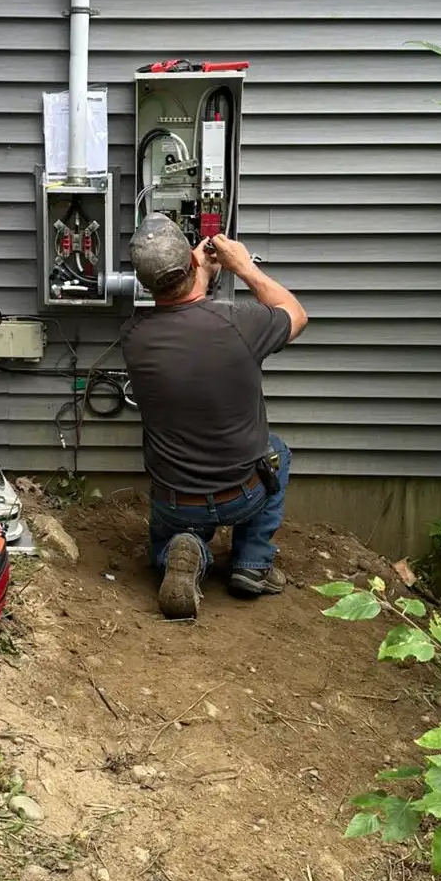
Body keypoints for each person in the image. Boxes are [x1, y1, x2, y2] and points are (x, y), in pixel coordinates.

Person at [120, 214, 308, 619]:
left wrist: (194, 271)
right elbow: (295, 313)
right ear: (191, 262)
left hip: (175, 500)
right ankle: (252, 563)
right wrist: (243, 267)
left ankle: (185, 549)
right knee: (278, 451)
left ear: (145, 284)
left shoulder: (134, 339)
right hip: (241, 494)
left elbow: (180, 310)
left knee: (168, 540)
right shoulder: (240, 324)